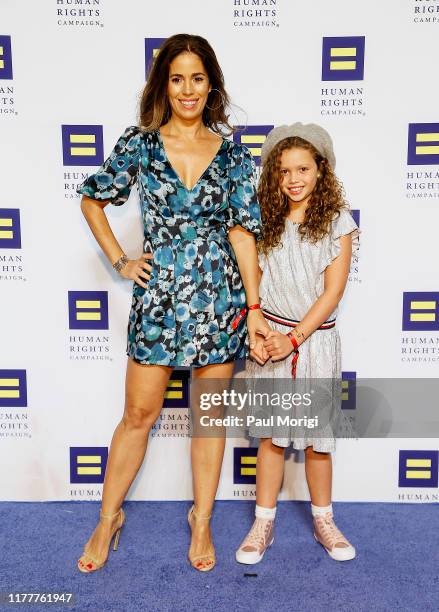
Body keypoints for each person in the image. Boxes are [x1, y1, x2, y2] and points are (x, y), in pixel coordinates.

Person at [76, 33, 270, 573]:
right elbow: (92, 199)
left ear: (212, 85)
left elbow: (242, 234)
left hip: (217, 296)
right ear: (165, 82)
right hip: (159, 298)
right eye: (177, 77)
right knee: (138, 414)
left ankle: (201, 519)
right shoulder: (139, 144)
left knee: (208, 420)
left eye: (198, 78)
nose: (188, 89)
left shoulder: (231, 152)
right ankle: (107, 517)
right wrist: (121, 260)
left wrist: (253, 308)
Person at [235, 123, 360, 564]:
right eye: (283, 170)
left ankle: (324, 519)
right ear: (272, 174)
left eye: (303, 168)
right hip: (270, 339)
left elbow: (333, 292)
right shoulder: (264, 221)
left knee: (317, 441)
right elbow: (256, 279)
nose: (293, 179)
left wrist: (295, 338)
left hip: (314, 344)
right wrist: (261, 333)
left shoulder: (338, 223)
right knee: (269, 438)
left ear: (321, 170)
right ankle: (263, 521)